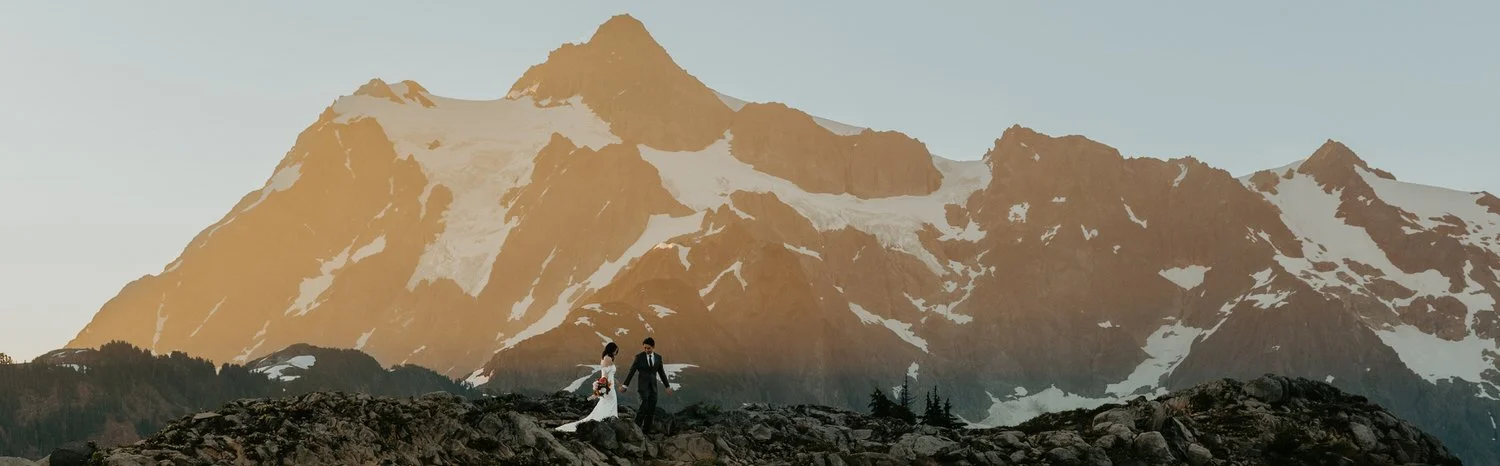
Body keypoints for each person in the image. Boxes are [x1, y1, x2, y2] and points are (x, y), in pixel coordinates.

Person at [556, 342, 621, 432]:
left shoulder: (607, 357)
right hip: (608, 386)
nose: (616, 352)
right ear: (612, 349)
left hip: (610, 385)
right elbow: (605, 375)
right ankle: (606, 420)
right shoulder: (607, 358)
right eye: (616, 350)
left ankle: (607, 420)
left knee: (607, 403)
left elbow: (609, 374)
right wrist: (604, 387)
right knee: (609, 403)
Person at [621, 336, 672, 433]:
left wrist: (667, 386)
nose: (646, 350)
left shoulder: (658, 358)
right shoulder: (639, 357)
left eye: (648, 348)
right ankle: (635, 430)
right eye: (644, 348)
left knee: (651, 410)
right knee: (643, 407)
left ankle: (646, 431)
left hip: (653, 388)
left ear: (653, 347)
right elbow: (631, 372)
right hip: (643, 387)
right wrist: (625, 385)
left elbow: (661, 373)